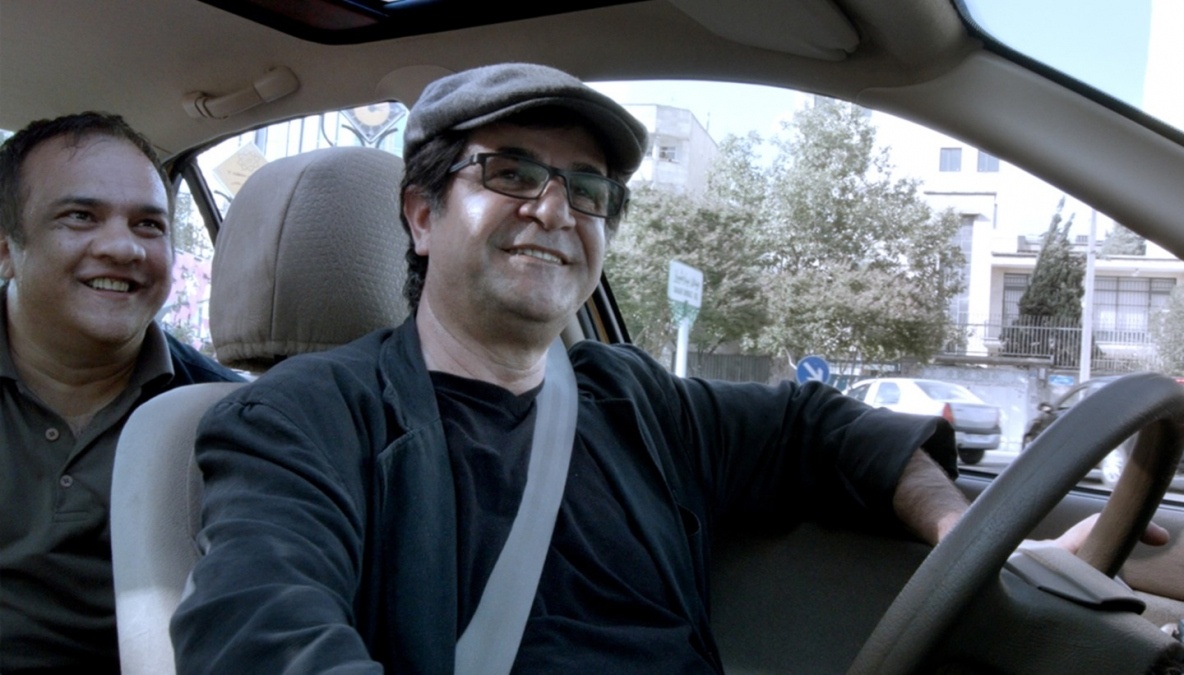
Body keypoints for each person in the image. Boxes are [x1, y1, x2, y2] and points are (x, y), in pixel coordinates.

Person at [169, 63, 1142, 673]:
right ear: (421, 214)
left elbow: (819, 428)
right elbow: (262, 635)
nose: (556, 209)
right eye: (511, 172)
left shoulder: (633, 398)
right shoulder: (302, 419)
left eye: (587, 188)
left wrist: (962, 531)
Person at [0, 112, 245, 673]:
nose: (123, 248)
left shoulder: (229, 419)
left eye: (149, 225)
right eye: (80, 216)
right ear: (6, 248)